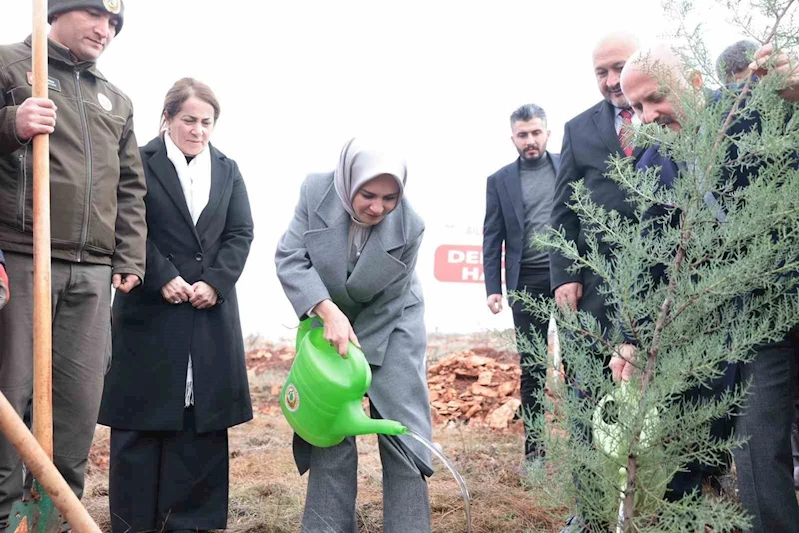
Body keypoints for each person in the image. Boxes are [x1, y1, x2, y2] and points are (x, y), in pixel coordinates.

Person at [616, 42, 799, 533]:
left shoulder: (759, 105)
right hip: (759, 319)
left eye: (655, 98)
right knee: (758, 446)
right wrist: (630, 335)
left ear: (695, 83)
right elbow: (651, 252)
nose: (647, 115)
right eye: (635, 107)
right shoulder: (656, 161)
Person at [0, 0, 146, 526]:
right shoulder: (10, 66)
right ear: (57, 11)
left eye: (114, 23)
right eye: (96, 15)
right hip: (20, 256)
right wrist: (10, 123)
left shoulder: (116, 100)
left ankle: (55, 520)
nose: (105, 30)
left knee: (77, 408)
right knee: (10, 403)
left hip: (92, 272)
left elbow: (130, 187)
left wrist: (129, 254)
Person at [97, 78, 254, 533]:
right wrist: (161, 276)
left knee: (200, 425)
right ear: (167, 118)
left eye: (207, 122)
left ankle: (191, 524)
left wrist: (216, 283)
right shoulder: (138, 162)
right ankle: (133, 524)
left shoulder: (228, 169)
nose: (199, 130)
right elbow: (125, 223)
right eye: (189, 120)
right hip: (149, 310)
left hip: (208, 314)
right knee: (140, 421)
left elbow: (240, 232)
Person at [275, 137, 433, 533]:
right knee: (331, 425)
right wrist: (326, 311)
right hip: (326, 310)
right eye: (368, 194)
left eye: (389, 197)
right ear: (349, 182)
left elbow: (391, 300)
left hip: (391, 320)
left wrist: (357, 370)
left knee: (400, 427)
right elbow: (291, 257)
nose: (378, 207)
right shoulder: (316, 191)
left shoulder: (411, 225)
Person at [549, 31, 642, 533]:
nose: (610, 82)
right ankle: (590, 511)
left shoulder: (667, 114)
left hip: (664, 287)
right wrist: (565, 273)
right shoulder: (578, 129)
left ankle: (663, 505)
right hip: (596, 292)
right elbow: (563, 207)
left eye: (619, 68)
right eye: (601, 72)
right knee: (587, 399)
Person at [483, 103, 560, 466]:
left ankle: (583, 447)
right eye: (523, 135)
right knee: (533, 367)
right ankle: (536, 454)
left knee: (579, 364)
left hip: (567, 277)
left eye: (536, 133)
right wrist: (493, 287)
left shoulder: (567, 167)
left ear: (547, 132)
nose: (530, 140)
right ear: (512, 137)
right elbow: (492, 235)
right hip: (525, 281)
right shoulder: (499, 180)